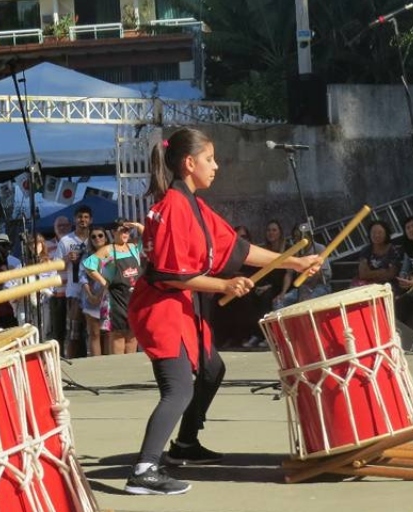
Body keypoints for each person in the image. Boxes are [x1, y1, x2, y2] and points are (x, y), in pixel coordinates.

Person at [123, 128, 321, 496]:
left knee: (212, 368)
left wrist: (294, 262)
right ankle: (145, 469)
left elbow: (239, 250)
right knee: (178, 388)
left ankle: (185, 444)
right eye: (210, 159)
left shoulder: (195, 205)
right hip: (162, 309)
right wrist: (224, 285)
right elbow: (169, 274)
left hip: (183, 307)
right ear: (189, 162)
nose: (216, 167)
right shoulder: (171, 207)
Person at [84, 218, 144, 355]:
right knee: (118, 336)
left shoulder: (133, 247)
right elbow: (88, 265)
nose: (125, 233)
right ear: (113, 232)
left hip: (134, 297)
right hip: (116, 299)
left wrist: (137, 225)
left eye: (127, 231)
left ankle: (131, 368)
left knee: (133, 334)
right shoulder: (108, 250)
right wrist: (104, 282)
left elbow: (149, 235)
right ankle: (118, 370)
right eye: (121, 230)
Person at [242, 220, 288, 348]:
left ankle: (268, 336)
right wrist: (257, 287)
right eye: (269, 230)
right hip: (265, 285)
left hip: (281, 286)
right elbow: (261, 272)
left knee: (266, 297)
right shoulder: (264, 250)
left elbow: (286, 274)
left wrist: (269, 286)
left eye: (274, 230)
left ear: (280, 233)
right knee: (248, 297)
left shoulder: (287, 248)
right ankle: (255, 334)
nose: (271, 233)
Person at [57, 206, 93, 358]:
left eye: (86, 217)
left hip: (94, 291)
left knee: (95, 330)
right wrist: (67, 259)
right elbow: (57, 267)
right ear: (74, 219)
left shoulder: (97, 236)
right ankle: (75, 362)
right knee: (74, 331)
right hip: (75, 291)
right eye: (80, 217)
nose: (82, 220)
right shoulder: (66, 241)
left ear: (91, 220)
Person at [272, 223, 332, 310]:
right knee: (278, 302)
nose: (298, 240)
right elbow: (289, 274)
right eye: (295, 237)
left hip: (320, 286)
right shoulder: (296, 251)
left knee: (307, 302)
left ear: (308, 236)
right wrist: (283, 293)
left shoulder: (319, 248)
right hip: (302, 288)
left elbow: (326, 274)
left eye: (300, 236)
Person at [78, 226, 112, 356]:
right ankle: (96, 363)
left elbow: (112, 276)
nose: (97, 238)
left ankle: (110, 363)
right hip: (90, 298)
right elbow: (82, 277)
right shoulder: (86, 256)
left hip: (108, 297)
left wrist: (100, 294)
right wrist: (90, 295)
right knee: (94, 333)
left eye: (100, 235)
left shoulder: (112, 254)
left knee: (109, 332)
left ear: (106, 237)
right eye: (93, 236)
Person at [353, 220, 402, 288]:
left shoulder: (393, 250)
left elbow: (391, 274)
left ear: (386, 234)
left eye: (380, 232)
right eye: (373, 232)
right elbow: (363, 274)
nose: (376, 235)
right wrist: (383, 271)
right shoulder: (366, 250)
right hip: (368, 285)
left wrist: (370, 273)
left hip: (388, 285)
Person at [47, 216, 71, 342]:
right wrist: (65, 260)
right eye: (59, 226)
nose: (62, 228)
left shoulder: (75, 242)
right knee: (58, 330)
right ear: (54, 228)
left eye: (65, 225)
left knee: (75, 330)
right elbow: (49, 269)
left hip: (74, 292)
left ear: (70, 226)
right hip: (57, 293)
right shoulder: (47, 246)